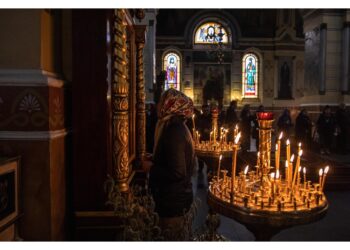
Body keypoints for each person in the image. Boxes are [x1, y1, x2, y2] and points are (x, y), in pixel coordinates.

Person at [149, 88, 195, 240]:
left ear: (170, 105)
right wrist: (155, 158)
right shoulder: (174, 127)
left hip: (173, 203)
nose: (157, 105)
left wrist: (151, 168)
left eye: (161, 102)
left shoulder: (174, 131)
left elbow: (177, 172)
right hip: (174, 199)